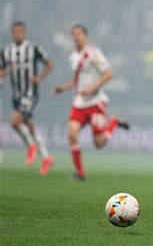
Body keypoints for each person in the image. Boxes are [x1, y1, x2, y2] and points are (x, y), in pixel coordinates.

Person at [54, 25, 129, 181]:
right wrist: (63, 88)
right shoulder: (73, 56)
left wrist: (93, 88)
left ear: (86, 36)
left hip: (95, 102)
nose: (76, 37)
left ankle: (114, 121)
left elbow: (109, 74)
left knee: (99, 143)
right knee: (71, 134)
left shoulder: (94, 54)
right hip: (79, 102)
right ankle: (80, 173)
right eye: (74, 34)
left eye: (79, 34)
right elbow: (77, 80)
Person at [0, 21, 54, 175]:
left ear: (25, 32)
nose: (17, 34)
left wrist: (40, 77)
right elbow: (1, 70)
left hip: (30, 93)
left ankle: (31, 146)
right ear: (12, 33)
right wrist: (3, 73)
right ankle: (46, 158)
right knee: (29, 125)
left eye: (20, 31)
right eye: (15, 32)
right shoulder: (6, 51)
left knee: (15, 121)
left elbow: (49, 64)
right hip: (16, 94)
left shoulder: (34, 48)